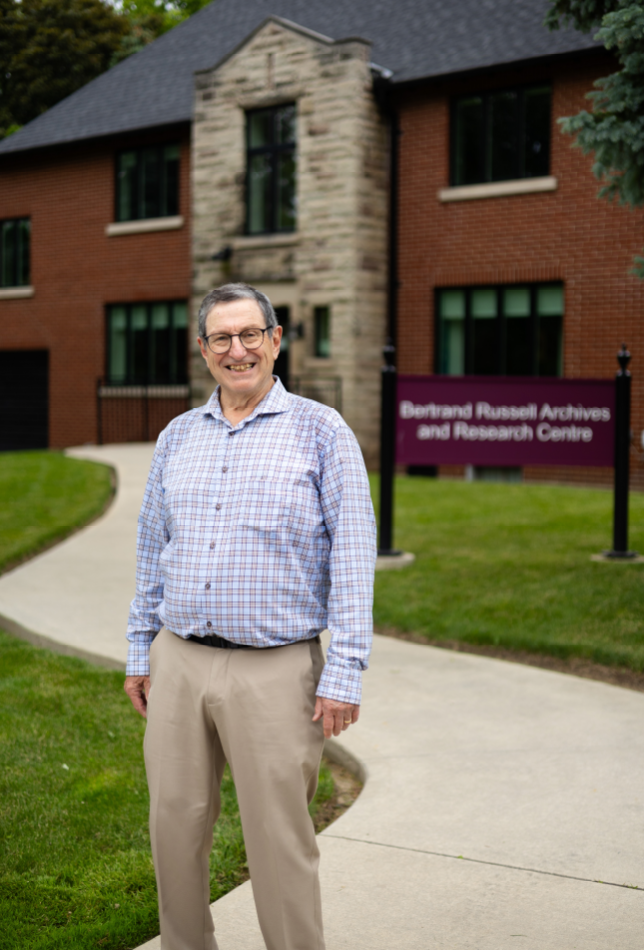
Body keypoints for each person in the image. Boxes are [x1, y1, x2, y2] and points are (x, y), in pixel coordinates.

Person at [124, 282, 376, 950]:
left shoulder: (322, 432)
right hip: (178, 660)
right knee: (174, 829)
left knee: (279, 843)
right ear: (202, 349)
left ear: (276, 340)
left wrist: (344, 671)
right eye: (222, 338)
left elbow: (353, 558)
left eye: (250, 335)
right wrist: (138, 652)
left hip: (277, 670)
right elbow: (153, 551)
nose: (238, 351)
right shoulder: (178, 436)